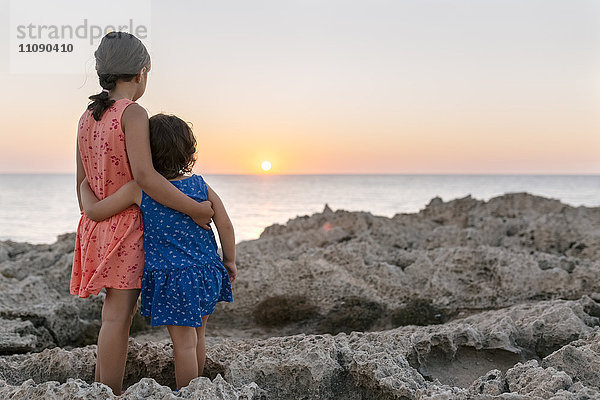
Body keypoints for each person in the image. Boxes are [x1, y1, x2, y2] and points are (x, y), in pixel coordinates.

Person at [72, 32, 214, 395]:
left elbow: (83, 185)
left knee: (112, 316)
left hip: (97, 226)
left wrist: (91, 208)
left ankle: (101, 388)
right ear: (142, 72)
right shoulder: (133, 113)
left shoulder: (86, 118)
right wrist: (195, 208)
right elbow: (146, 177)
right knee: (120, 317)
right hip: (128, 230)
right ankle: (110, 391)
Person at [80, 113, 236, 390]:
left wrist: (84, 187)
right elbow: (224, 222)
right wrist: (230, 260)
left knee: (184, 344)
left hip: (175, 279)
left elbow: (95, 211)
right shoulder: (200, 185)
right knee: (198, 337)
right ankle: (199, 391)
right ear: (189, 151)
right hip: (208, 271)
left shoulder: (140, 189)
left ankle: (188, 394)